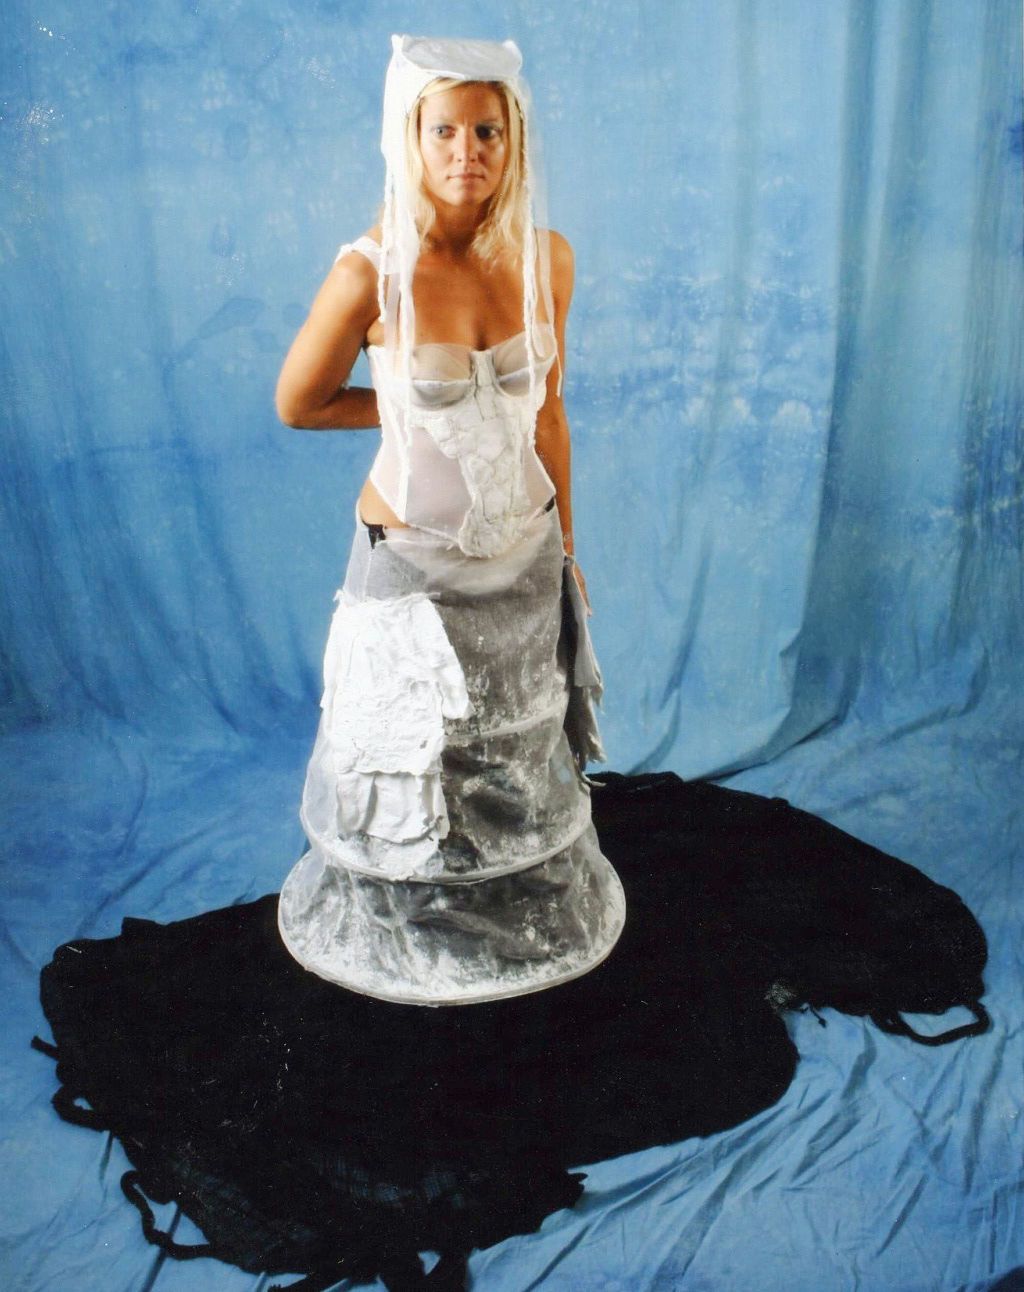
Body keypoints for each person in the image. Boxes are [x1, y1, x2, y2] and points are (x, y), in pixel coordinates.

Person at [272, 35, 626, 1005]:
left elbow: (547, 414)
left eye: (487, 131)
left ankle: (499, 930)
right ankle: (413, 935)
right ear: (410, 138)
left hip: (522, 553)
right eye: (444, 131)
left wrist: (568, 552)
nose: (467, 150)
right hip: (412, 565)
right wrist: (410, 408)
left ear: (514, 142)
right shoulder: (371, 271)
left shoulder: (547, 259)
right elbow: (299, 403)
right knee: (414, 764)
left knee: (504, 756)